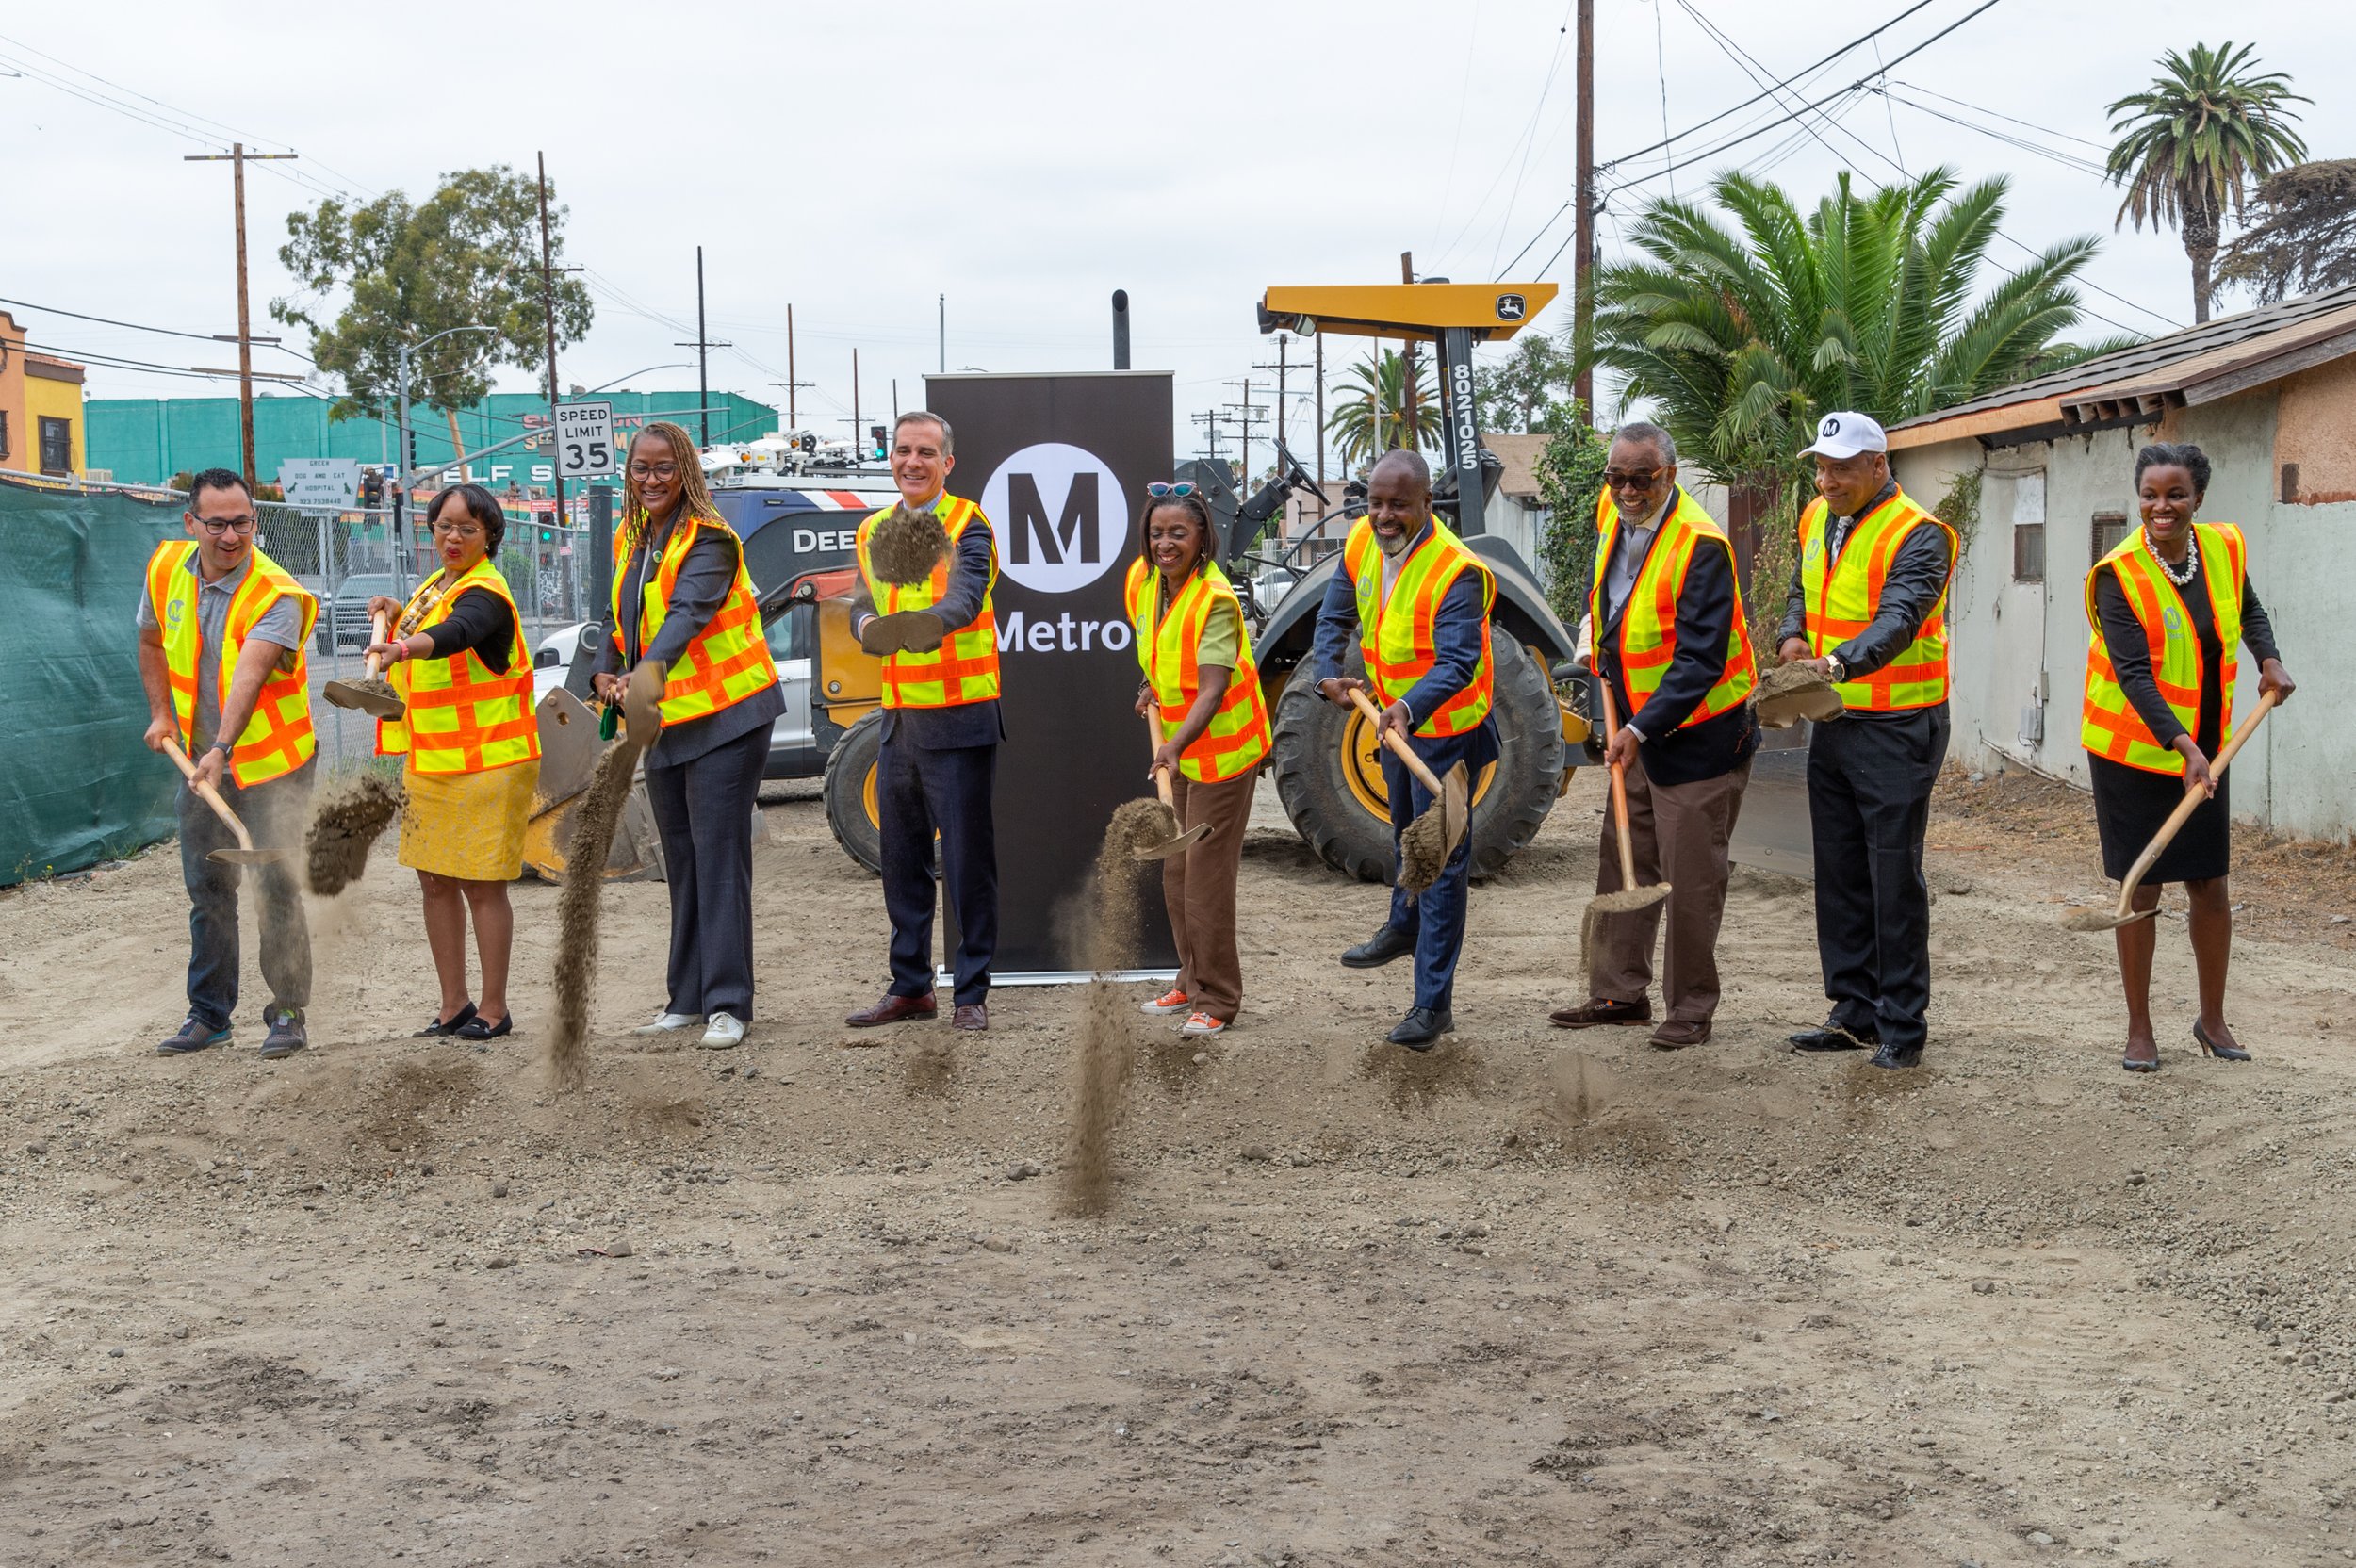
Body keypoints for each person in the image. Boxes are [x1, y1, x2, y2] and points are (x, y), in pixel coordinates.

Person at [2082, 442, 2294, 1071]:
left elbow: (2249, 611)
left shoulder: (2222, 548)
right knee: (2142, 887)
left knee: (2209, 883)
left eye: (2174, 494)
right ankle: (2140, 1030)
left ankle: (2213, 1018)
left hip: (2207, 747)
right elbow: (2134, 674)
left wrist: (2269, 656)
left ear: (2198, 497)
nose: (2160, 506)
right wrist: (2182, 747)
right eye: (2149, 495)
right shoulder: (2118, 574)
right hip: (2134, 748)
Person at [1548, 423, 1759, 1049]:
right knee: (1626, 859)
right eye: (1618, 477)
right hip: (1635, 721)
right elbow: (1615, 600)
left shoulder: (1701, 545)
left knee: (1691, 876)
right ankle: (1617, 993)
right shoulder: (1613, 515)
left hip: (1699, 734)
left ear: (1670, 475)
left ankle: (1691, 1008)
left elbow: (1701, 660)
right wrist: (1595, 637)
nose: (1628, 490)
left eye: (1644, 478)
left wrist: (1640, 728)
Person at [593, 420, 784, 1051]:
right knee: (680, 860)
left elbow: (687, 615)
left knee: (718, 856)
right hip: (667, 719)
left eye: (664, 468)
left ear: (687, 474)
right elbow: (618, 619)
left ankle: (730, 1001)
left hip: (728, 717)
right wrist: (603, 672)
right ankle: (688, 997)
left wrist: (646, 673)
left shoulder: (712, 540)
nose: (651, 479)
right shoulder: (630, 535)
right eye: (640, 468)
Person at [1777, 411, 1956, 1070]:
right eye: (1822, 468)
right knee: (1842, 872)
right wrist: (1791, 637)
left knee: (1891, 877)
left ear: (1878, 466)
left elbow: (1901, 619)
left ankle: (1903, 1025)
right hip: (1834, 718)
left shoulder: (1921, 535)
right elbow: (1804, 588)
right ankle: (1852, 1011)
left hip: (1898, 726)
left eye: (1843, 469)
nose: (1828, 480)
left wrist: (1837, 663)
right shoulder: (1815, 516)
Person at [1309, 449, 1499, 1050]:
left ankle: (1431, 1006)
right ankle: (1402, 924)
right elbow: (1333, 616)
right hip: (1393, 722)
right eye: (1375, 503)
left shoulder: (1456, 571)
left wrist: (1409, 708)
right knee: (1401, 835)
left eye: (1398, 505)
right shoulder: (1363, 542)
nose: (1384, 516)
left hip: (1443, 730)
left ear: (1426, 504)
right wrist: (1326, 674)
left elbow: (1458, 663)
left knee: (1436, 863)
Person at [136, 467, 318, 1059]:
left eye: (242, 522)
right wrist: (162, 715)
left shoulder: (276, 594)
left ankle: (288, 1011)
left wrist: (219, 749)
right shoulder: (166, 570)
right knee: (209, 889)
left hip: (273, 765)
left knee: (276, 886)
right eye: (217, 524)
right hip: (199, 762)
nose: (231, 536)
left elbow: (251, 673)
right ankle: (209, 1015)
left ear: (254, 521)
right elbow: (150, 639)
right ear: (192, 524)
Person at [366, 483, 543, 1042]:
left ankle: (494, 1009)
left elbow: (457, 632)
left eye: (468, 528)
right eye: (444, 525)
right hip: (434, 760)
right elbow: (431, 620)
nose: (454, 536)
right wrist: (395, 616)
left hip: (491, 761)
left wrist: (400, 647)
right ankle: (453, 1006)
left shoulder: (486, 591)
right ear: (431, 528)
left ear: (490, 535)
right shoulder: (436, 586)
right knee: (435, 881)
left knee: (482, 885)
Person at [844, 411, 1003, 1033]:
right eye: (903, 451)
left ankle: (971, 993)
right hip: (899, 716)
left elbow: (966, 596)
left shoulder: (970, 523)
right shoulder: (873, 529)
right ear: (892, 458)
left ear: (947, 464)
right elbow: (862, 603)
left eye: (926, 453)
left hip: (961, 715)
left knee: (966, 864)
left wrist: (924, 626)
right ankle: (911, 987)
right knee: (902, 859)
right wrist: (866, 629)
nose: (913, 461)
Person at [1124, 483, 1271, 1038]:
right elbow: (1162, 650)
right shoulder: (1147, 583)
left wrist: (1172, 746)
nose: (1166, 543)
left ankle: (1219, 998)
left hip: (1224, 754)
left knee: (1206, 879)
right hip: (1184, 751)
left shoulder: (1216, 601)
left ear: (1203, 538)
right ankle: (1189, 979)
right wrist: (1150, 686)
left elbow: (1211, 691)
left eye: (1178, 534)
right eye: (1158, 533)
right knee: (1177, 869)